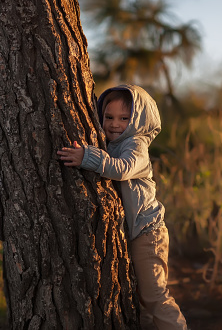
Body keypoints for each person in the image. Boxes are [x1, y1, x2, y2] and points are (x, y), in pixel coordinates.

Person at [57, 84, 187, 330]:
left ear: (138, 120)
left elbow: (123, 169)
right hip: (136, 233)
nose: (114, 124)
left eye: (124, 118)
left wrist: (88, 157)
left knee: (155, 297)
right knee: (139, 300)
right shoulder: (112, 144)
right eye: (109, 117)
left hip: (148, 233)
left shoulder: (136, 145)